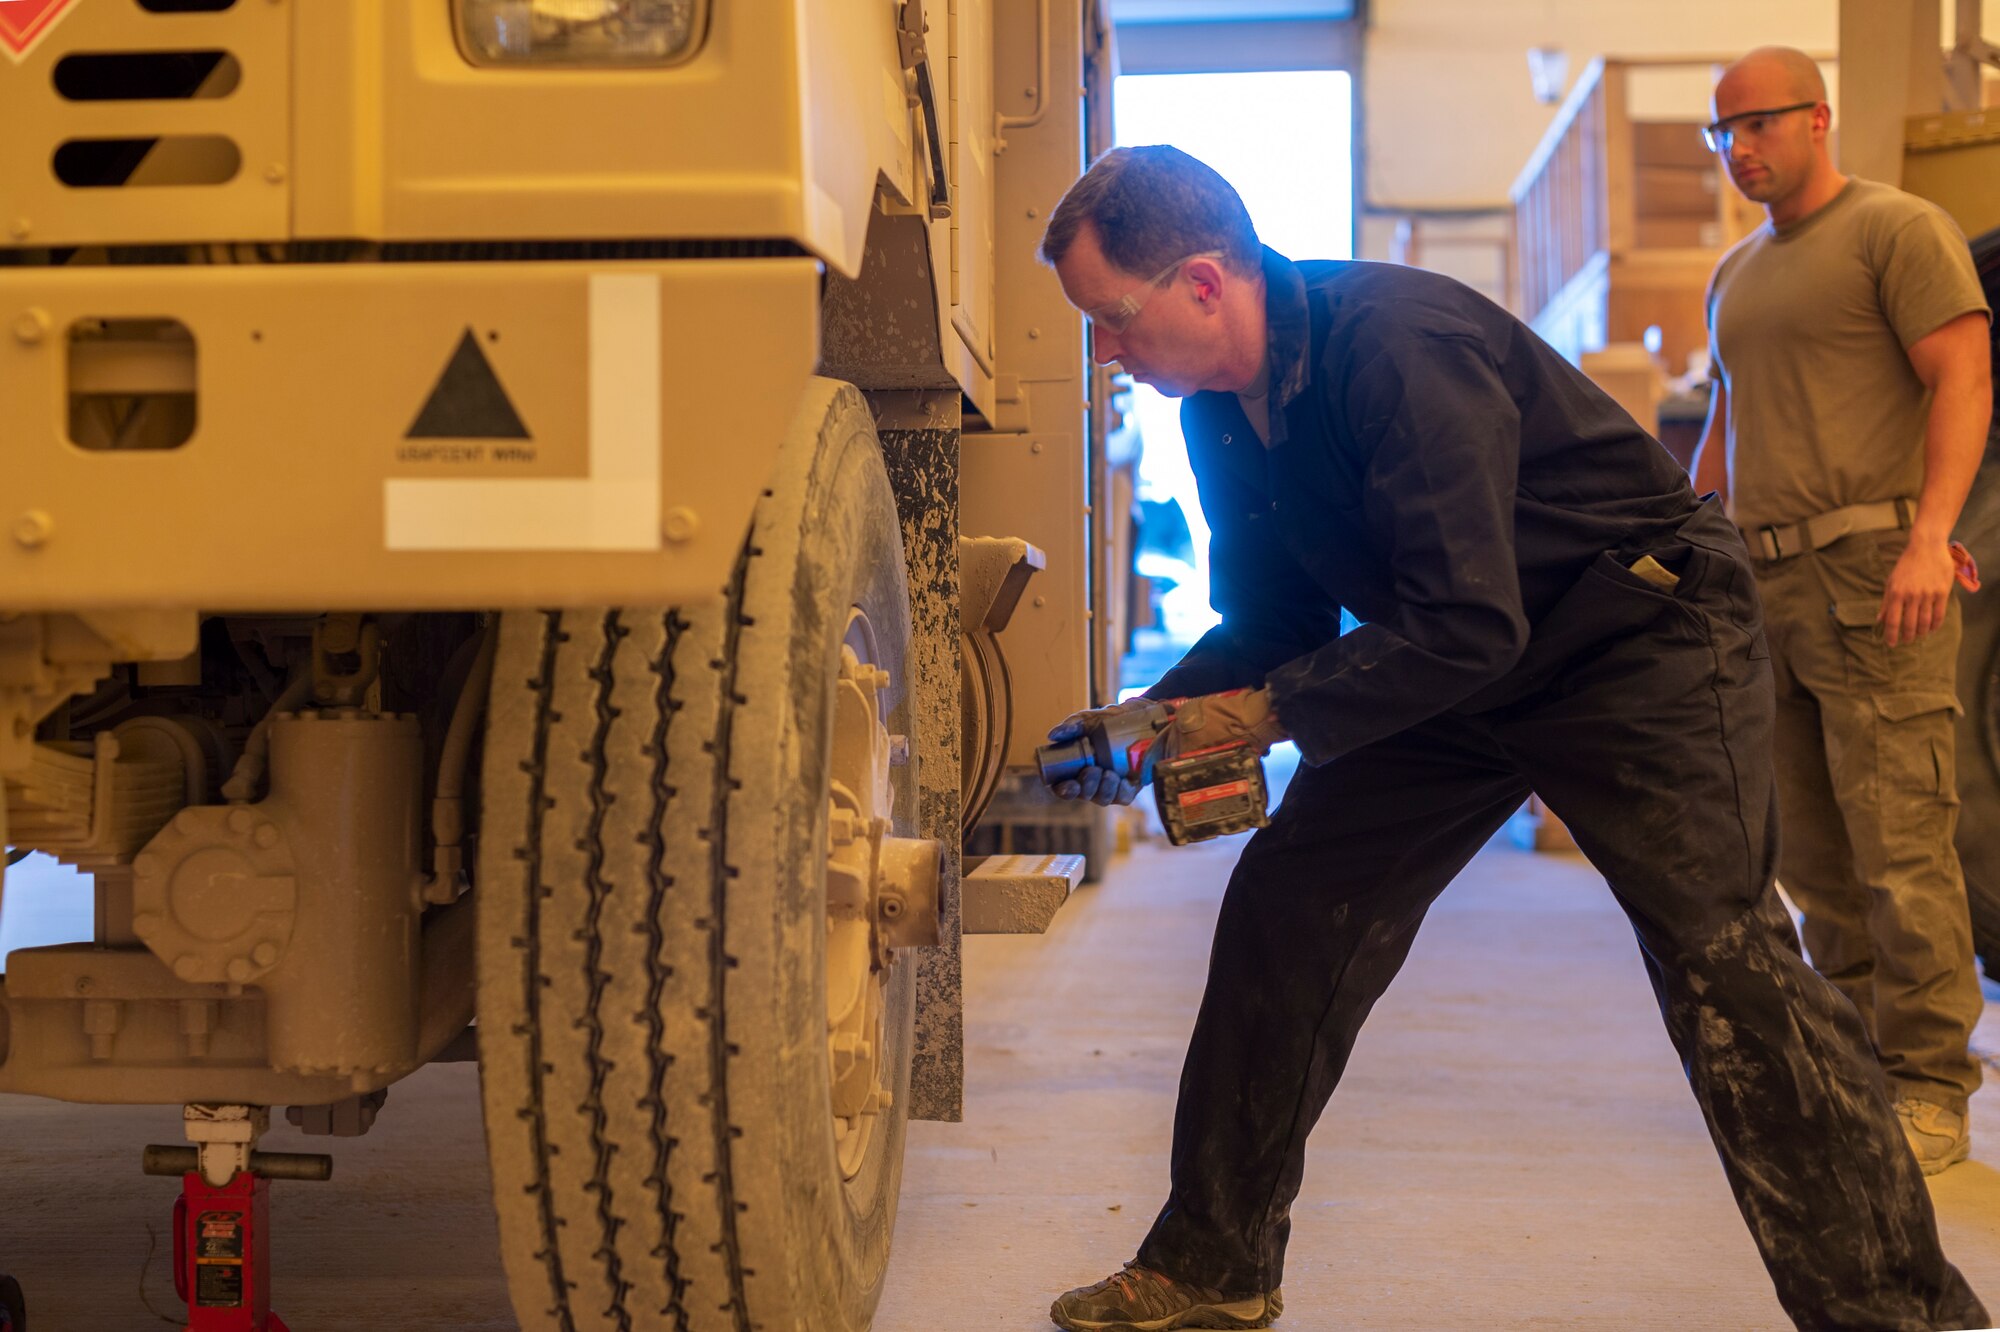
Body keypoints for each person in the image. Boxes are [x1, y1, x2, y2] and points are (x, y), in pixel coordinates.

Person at [1037, 144, 1988, 1332]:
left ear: (1200, 282)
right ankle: (1211, 1263)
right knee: (1289, 905)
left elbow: (1464, 620)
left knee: (1721, 963)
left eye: (1111, 318)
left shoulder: (1394, 346)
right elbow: (1276, 621)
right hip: (1453, 658)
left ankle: (1901, 1315)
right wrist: (1151, 720)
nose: (1103, 351)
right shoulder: (1221, 416)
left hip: (1635, 632)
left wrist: (1269, 715)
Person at [1696, 47, 1994, 1176]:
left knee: (1902, 844)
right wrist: (1686, 566)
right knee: (1811, 857)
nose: (1738, 150)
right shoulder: (1734, 273)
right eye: (1720, 133)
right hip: (1762, 586)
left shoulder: (1896, 230)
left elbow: (1961, 378)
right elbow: (1721, 438)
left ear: (1817, 117)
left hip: (1878, 570)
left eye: (1758, 124)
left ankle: (1930, 1086)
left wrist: (1928, 536)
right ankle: (1863, 1067)